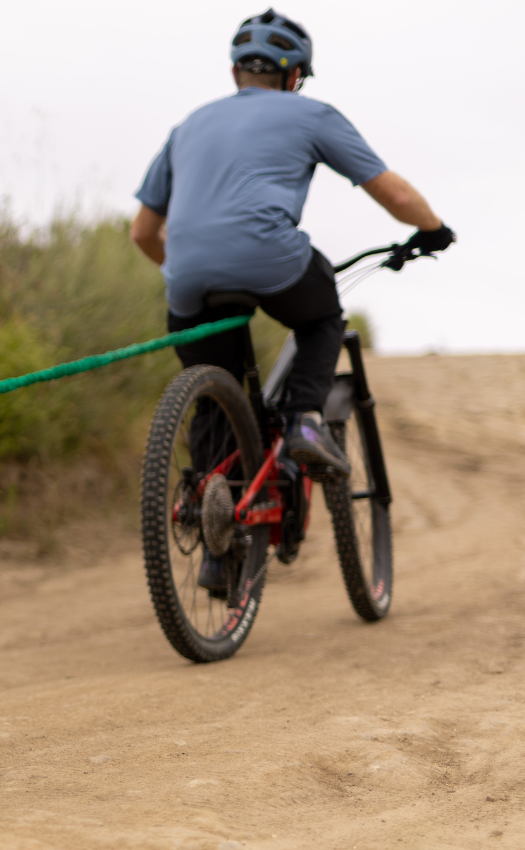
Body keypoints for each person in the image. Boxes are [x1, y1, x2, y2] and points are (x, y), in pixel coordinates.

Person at [129, 9, 453, 596]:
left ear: (235, 71)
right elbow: (394, 192)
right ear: (296, 74)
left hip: (188, 278)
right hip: (270, 261)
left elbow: (143, 234)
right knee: (324, 314)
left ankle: (216, 548)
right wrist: (432, 230)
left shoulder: (187, 126)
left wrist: (191, 271)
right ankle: (305, 420)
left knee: (215, 401)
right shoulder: (312, 114)